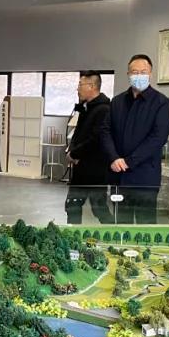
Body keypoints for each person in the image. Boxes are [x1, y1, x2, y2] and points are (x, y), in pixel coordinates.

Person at [101, 54, 169, 223]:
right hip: (119, 175)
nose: (139, 76)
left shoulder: (161, 102)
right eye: (134, 72)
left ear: (150, 74)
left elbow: (158, 138)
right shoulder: (117, 102)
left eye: (143, 72)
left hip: (145, 177)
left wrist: (129, 161)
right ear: (128, 74)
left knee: (144, 226)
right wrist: (114, 157)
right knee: (121, 223)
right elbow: (105, 131)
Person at [64, 71, 113, 224]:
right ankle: (73, 236)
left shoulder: (103, 109)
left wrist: (75, 154)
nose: (77, 89)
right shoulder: (87, 108)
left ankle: (114, 234)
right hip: (81, 167)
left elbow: (96, 139)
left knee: (99, 207)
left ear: (91, 86)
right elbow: (79, 134)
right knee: (73, 205)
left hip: (95, 170)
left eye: (80, 85)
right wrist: (72, 152)